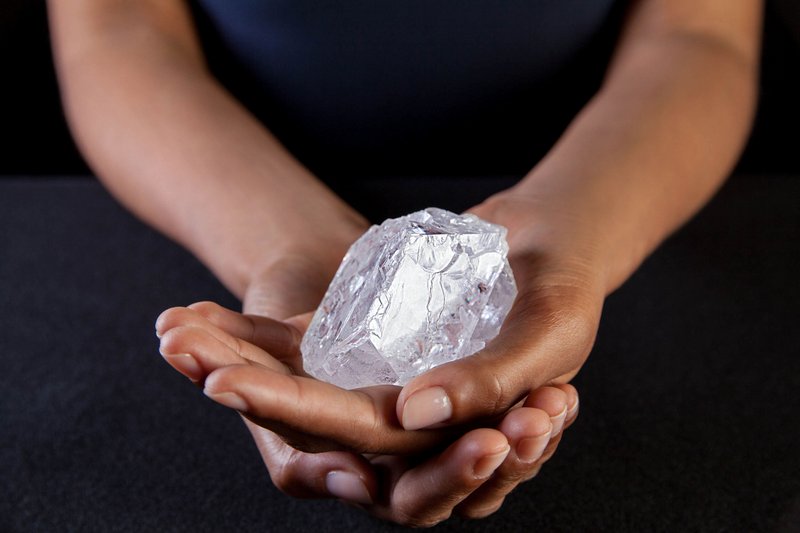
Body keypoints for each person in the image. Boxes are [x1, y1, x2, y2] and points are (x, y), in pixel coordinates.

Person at [48, 0, 762, 526]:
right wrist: (283, 243)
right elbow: (116, 32)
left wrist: (570, 233)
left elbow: (698, 33)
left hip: (615, 183)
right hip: (218, 182)